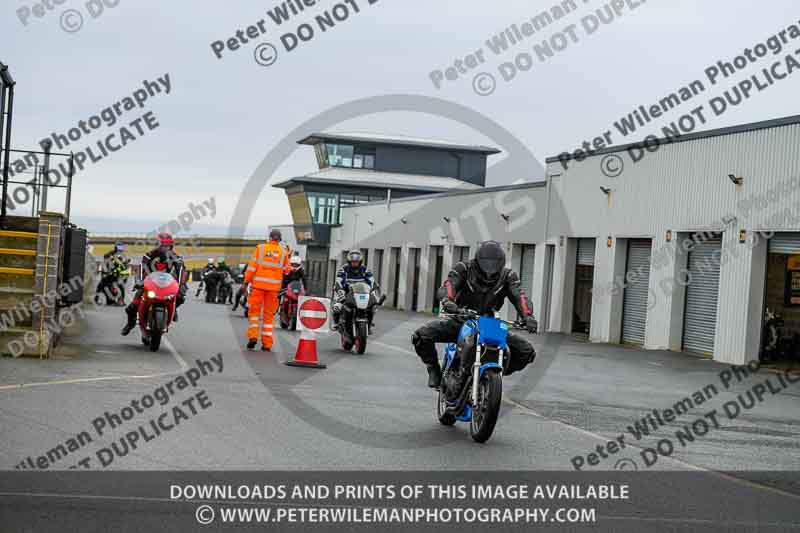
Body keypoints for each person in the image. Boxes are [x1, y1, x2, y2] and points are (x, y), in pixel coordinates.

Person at [411, 240, 539, 388]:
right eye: (486, 263)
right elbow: (449, 285)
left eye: (494, 264)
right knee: (421, 336)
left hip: (489, 323)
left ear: (501, 263)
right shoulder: (464, 268)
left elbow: (520, 296)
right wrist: (447, 301)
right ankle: (433, 368)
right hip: (461, 319)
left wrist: (528, 316)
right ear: (478, 261)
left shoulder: (508, 276)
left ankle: (489, 375)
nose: (489, 270)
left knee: (526, 352)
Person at [121, 232, 187, 335]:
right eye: (163, 245)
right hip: (149, 284)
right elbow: (141, 267)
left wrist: (182, 285)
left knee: (181, 297)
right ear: (158, 245)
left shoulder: (176, 257)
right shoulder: (148, 255)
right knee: (132, 307)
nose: (166, 248)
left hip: (167, 285)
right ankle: (130, 323)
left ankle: (174, 310)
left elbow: (181, 270)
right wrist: (139, 281)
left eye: (168, 246)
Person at [242, 229, 289, 351]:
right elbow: (287, 270)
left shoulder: (260, 248)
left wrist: (246, 282)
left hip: (257, 287)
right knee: (269, 316)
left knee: (254, 314)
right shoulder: (283, 253)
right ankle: (267, 344)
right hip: (273, 290)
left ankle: (253, 337)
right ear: (279, 239)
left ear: (270, 237)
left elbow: (252, 267)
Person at [332, 250, 374, 335]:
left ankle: (368, 325)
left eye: (357, 262)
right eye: (353, 262)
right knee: (336, 307)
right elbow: (338, 281)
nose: (355, 263)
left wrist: (372, 288)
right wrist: (340, 290)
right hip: (347, 293)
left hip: (361, 293)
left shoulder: (365, 269)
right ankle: (336, 323)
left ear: (360, 262)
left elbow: (371, 281)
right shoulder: (343, 269)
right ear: (349, 262)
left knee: (371, 307)